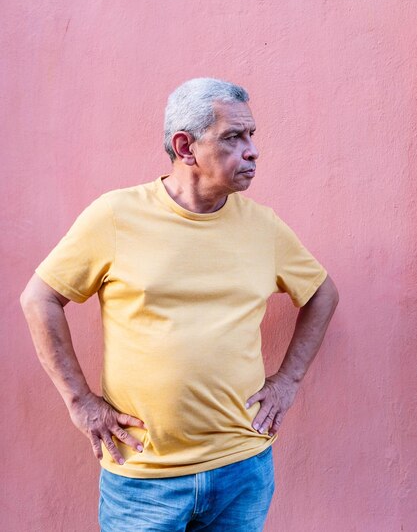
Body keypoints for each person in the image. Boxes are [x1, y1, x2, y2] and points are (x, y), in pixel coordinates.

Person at [20, 77, 339, 531]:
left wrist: (288, 380)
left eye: (252, 136)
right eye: (234, 137)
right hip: (144, 478)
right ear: (185, 146)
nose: (252, 150)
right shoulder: (115, 216)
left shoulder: (264, 227)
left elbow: (322, 293)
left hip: (242, 468)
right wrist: (81, 402)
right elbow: (40, 298)